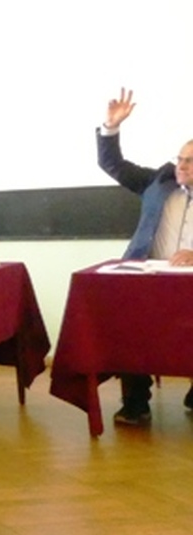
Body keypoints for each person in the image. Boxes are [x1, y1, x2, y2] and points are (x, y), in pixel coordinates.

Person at [97, 87, 193, 425]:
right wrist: (111, 127)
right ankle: (136, 402)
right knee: (127, 323)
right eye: (180, 159)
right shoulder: (158, 182)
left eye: (189, 161)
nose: (180, 166)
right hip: (149, 281)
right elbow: (113, 164)